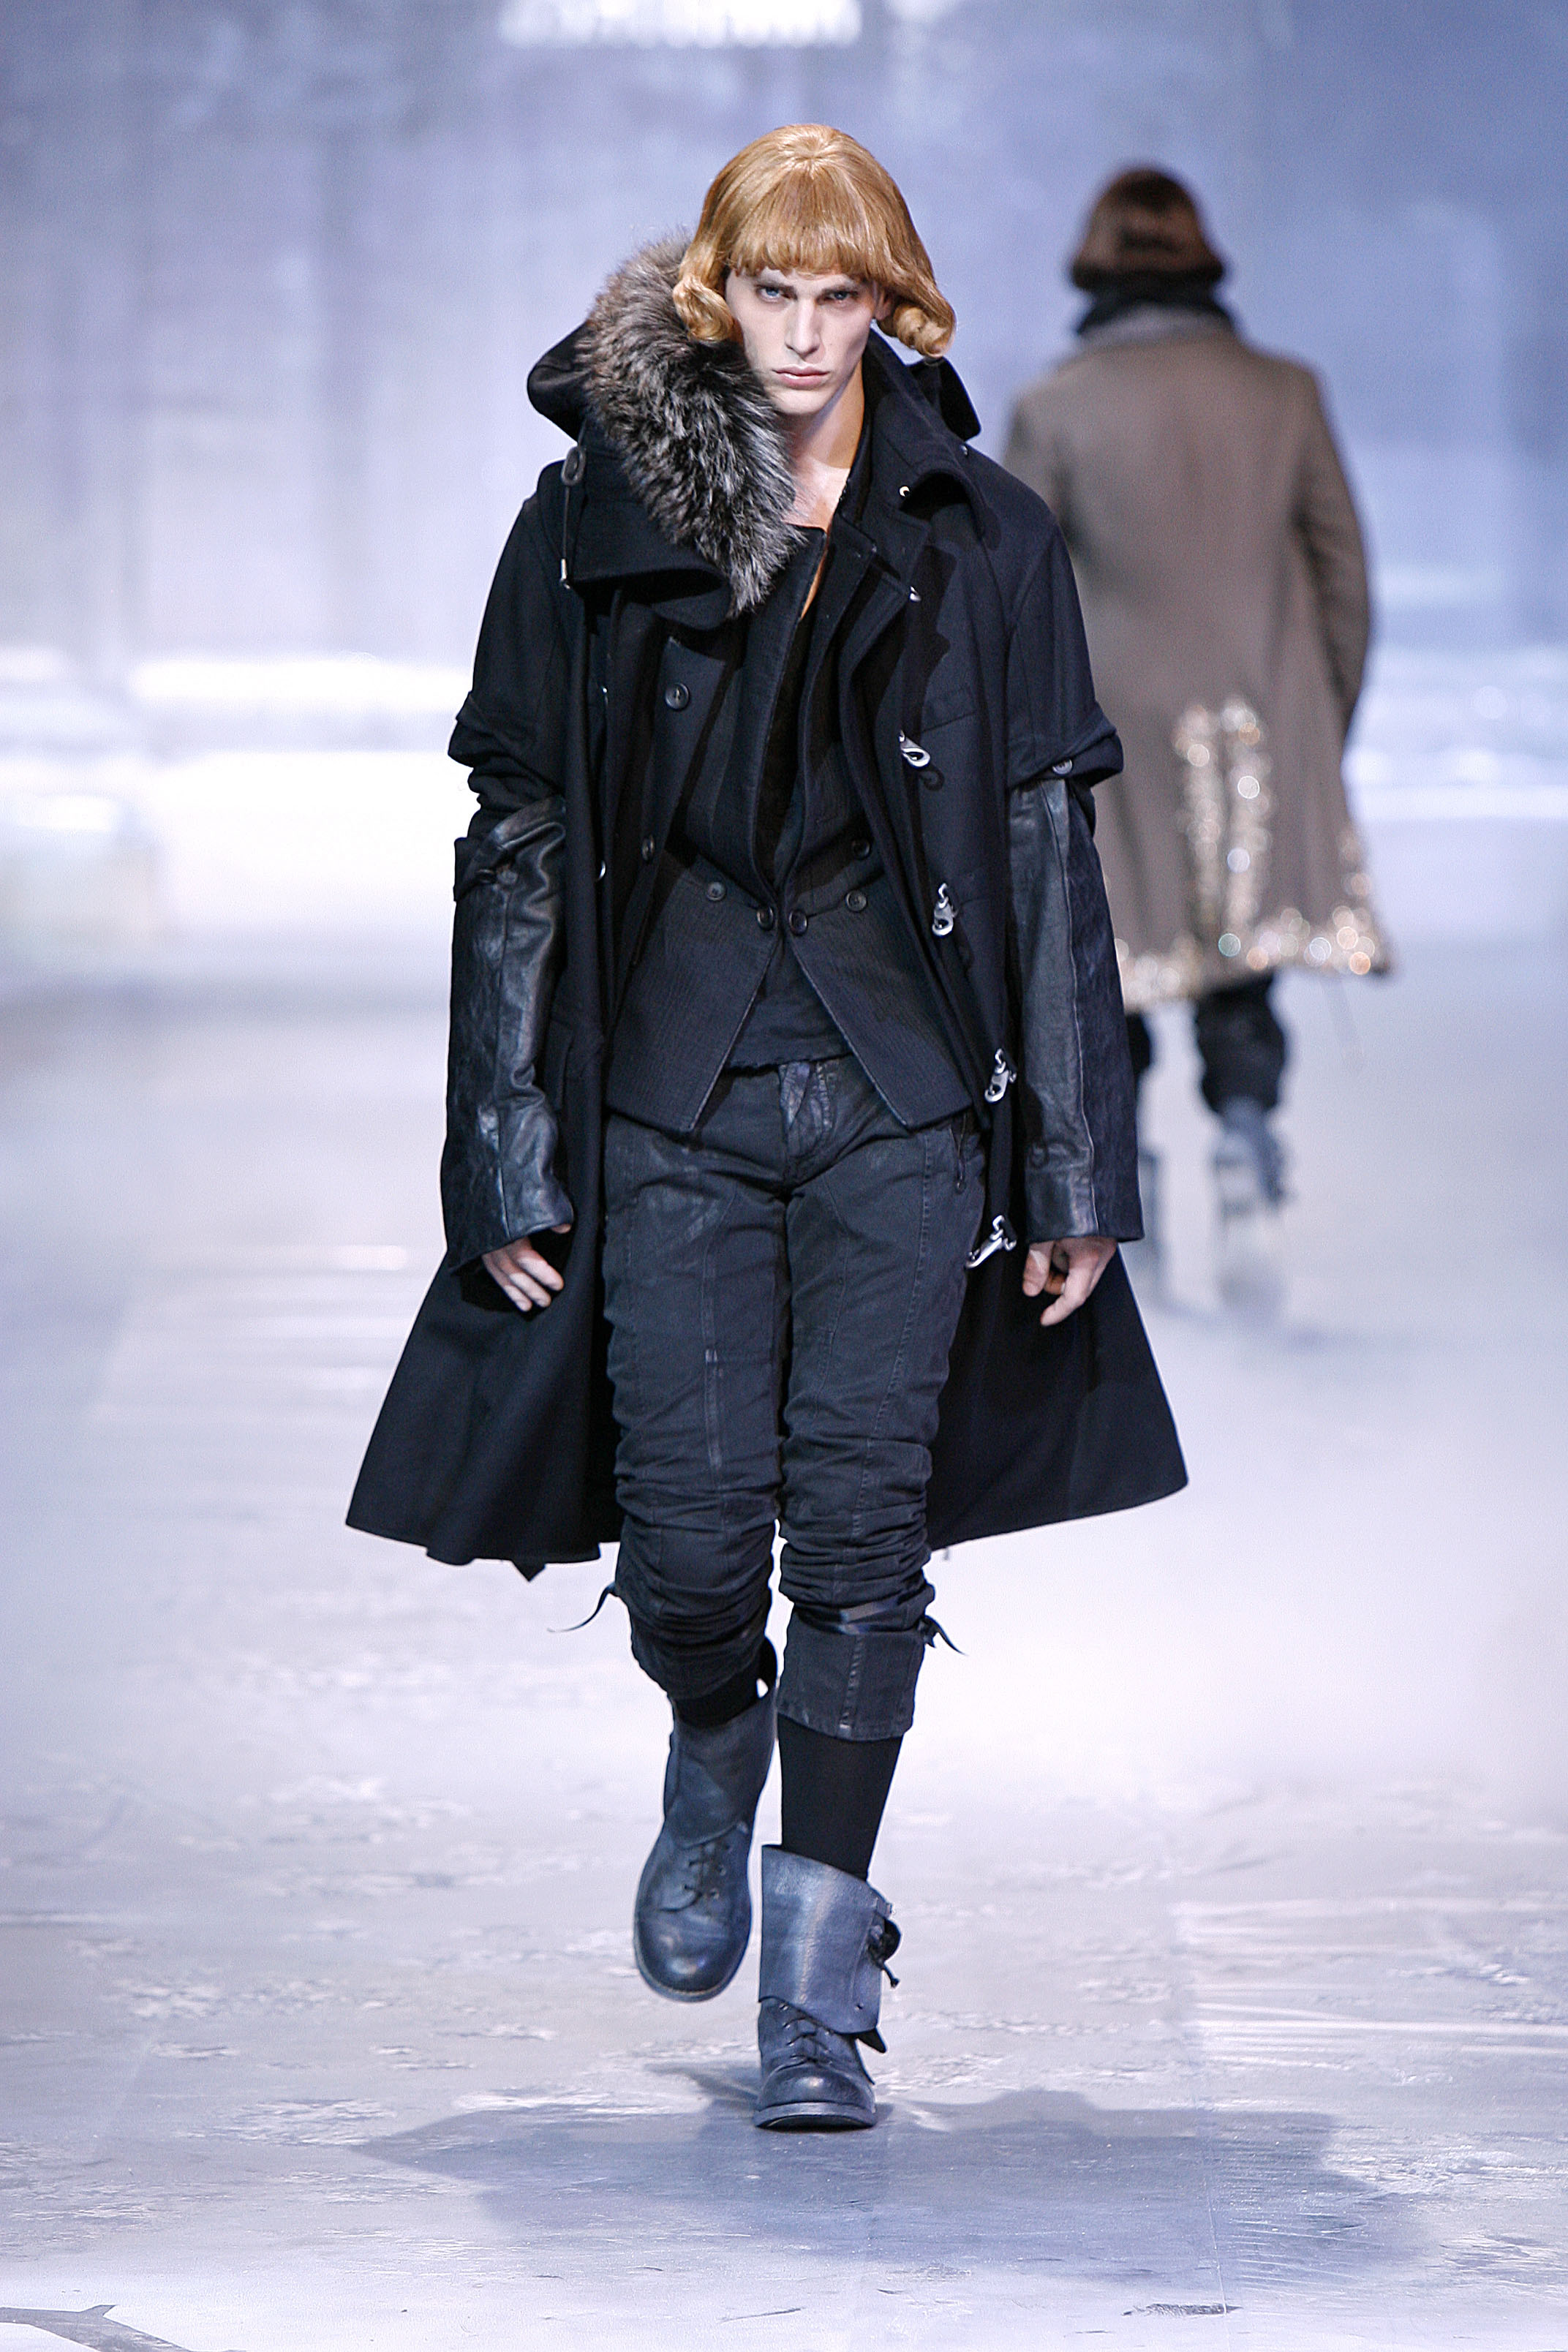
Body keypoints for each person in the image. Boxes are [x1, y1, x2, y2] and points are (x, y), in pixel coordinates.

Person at [349, 126, 1184, 2132]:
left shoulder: (980, 531)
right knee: (694, 1545)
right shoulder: (592, 518)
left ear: (895, 304)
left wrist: (1076, 1168)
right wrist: (502, 1144)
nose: (809, 336)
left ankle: (817, 1984)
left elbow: (1042, 848)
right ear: (715, 298)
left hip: (906, 1096)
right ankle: (714, 1731)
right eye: (774, 293)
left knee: (867, 1537)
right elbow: (516, 836)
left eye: (844, 297)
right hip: (673, 1088)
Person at [1005, 168, 1387, 1305]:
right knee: (1242, 963)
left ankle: (1127, 1193)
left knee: (1111, 969)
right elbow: (1343, 576)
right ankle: (1245, 1133)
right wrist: (1319, 724)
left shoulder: (1057, 407)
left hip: (1109, 729)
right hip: (1262, 717)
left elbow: (1014, 592)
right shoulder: (1285, 392)